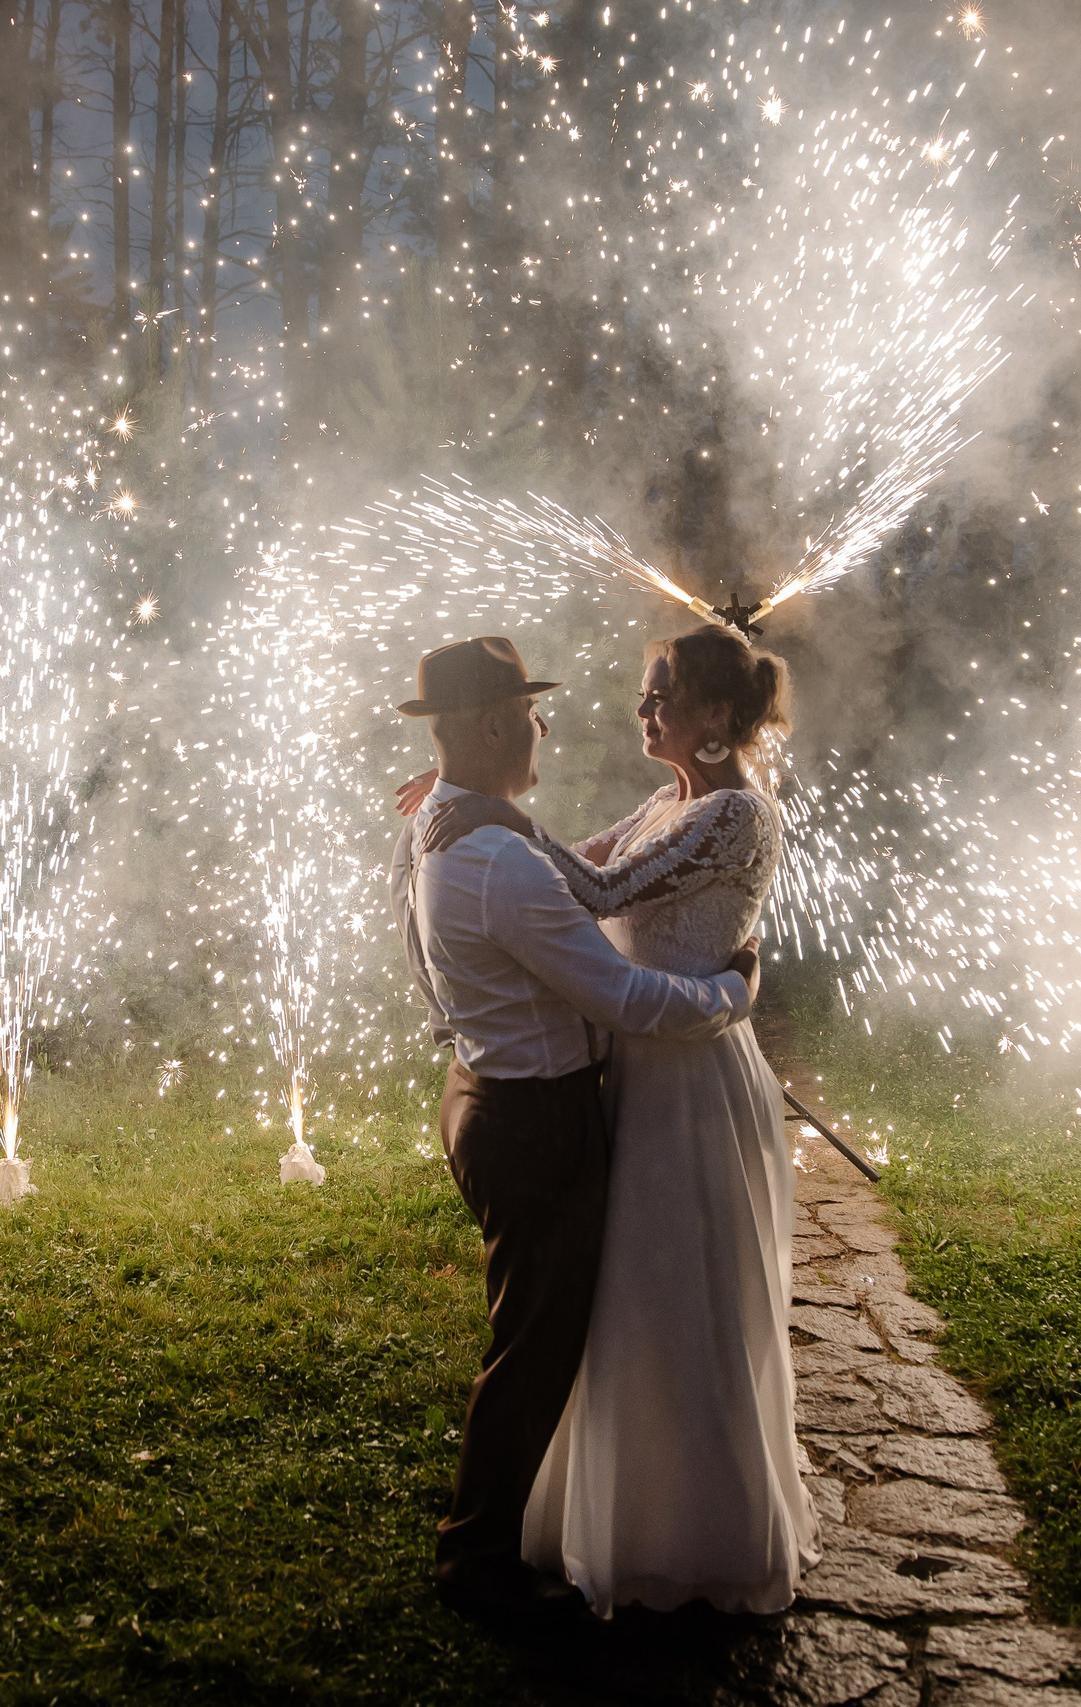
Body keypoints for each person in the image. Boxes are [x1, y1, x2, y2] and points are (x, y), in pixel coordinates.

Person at [409, 623, 816, 1616]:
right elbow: (578, 879)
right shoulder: (666, 803)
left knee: (680, 1302)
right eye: (644, 693)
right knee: (624, 1306)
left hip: (686, 1081)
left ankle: (691, 1533)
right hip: (640, 1058)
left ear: (719, 716)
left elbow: (585, 888)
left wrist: (471, 810)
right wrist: (470, 809)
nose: (643, 710)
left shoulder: (730, 817)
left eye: (660, 694)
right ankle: (614, 1516)